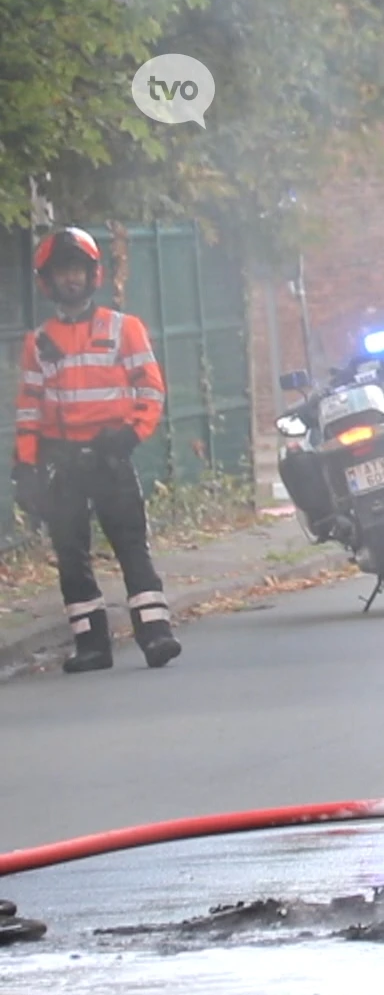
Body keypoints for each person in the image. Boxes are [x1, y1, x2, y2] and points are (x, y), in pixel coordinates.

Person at [11, 227, 182, 672]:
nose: (71, 279)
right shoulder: (38, 342)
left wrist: (130, 434)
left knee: (130, 543)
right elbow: (29, 409)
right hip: (62, 462)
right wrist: (25, 466)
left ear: (93, 275)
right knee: (70, 551)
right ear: (47, 282)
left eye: (77, 270)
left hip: (110, 455)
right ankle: (91, 644)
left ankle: (156, 633)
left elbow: (152, 388)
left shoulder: (124, 329)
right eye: (62, 272)